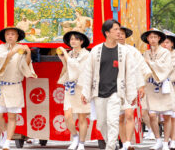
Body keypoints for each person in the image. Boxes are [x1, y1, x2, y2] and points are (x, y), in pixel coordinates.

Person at [79, 20, 137, 150]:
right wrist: (85, 92)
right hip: (99, 92)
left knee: (113, 121)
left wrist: (132, 93)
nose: (119, 32)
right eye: (115, 30)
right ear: (107, 33)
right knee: (101, 123)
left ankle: (110, 147)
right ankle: (111, 142)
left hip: (116, 92)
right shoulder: (96, 50)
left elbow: (130, 73)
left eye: (119, 29)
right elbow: (89, 72)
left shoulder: (124, 51)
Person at [0, 26, 36, 150]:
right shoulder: (1, 48)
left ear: (17, 37)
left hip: (14, 86)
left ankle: (7, 141)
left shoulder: (21, 49)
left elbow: (25, 65)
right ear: (5, 37)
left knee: (12, 116)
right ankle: (7, 132)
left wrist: (27, 53)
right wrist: (16, 50)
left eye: (12, 34)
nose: (10, 36)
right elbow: (2, 59)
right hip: (1, 85)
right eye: (8, 34)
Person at [141, 28, 175, 150]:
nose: (153, 39)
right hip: (151, 86)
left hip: (163, 86)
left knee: (166, 116)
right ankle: (158, 139)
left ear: (159, 38)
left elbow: (166, 68)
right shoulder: (146, 53)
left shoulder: (165, 52)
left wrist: (150, 63)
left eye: (155, 37)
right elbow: (143, 70)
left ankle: (166, 142)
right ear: (148, 39)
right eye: (151, 37)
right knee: (152, 115)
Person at [117, 26, 149, 150]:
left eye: (122, 34)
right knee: (120, 117)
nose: (120, 35)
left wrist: (141, 85)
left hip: (130, 85)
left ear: (126, 36)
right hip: (115, 87)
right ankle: (123, 142)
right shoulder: (109, 50)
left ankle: (128, 142)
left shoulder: (132, 51)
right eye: (117, 33)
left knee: (129, 114)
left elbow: (141, 68)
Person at [58, 30, 91, 150]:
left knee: (82, 116)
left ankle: (82, 143)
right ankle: (75, 137)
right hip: (69, 87)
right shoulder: (70, 54)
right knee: (67, 116)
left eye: (76, 39)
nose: (73, 41)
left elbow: (76, 66)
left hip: (81, 87)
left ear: (81, 41)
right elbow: (68, 68)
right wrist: (63, 59)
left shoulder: (86, 54)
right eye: (71, 39)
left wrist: (65, 56)